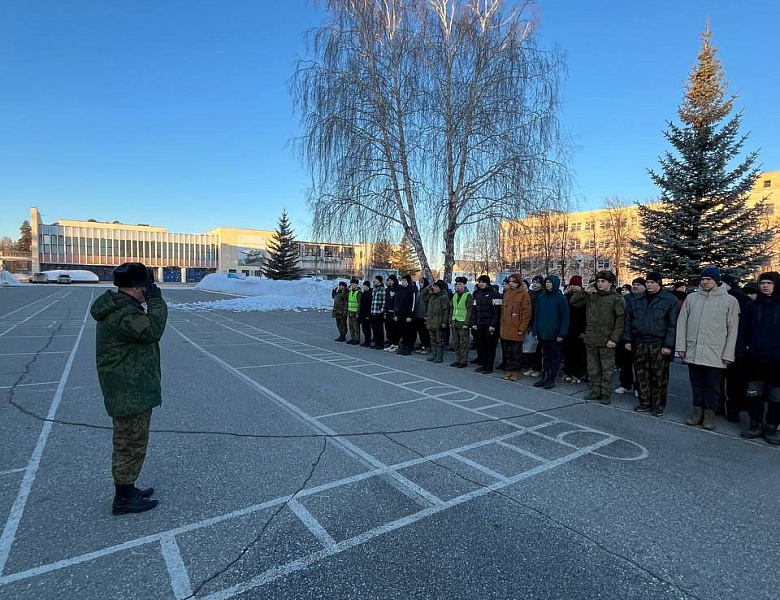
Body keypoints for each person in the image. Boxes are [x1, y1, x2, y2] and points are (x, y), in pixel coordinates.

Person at [91, 262, 166, 515]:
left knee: (132, 441)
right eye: (147, 287)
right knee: (129, 442)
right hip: (128, 390)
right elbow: (152, 331)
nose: (150, 290)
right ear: (136, 289)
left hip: (129, 386)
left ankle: (128, 487)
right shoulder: (124, 314)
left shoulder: (123, 307)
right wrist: (156, 303)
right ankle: (123, 498)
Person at [676, 266, 741, 431]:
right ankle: (696, 412)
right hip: (694, 349)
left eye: (708, 279)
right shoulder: (692, 298)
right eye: (703, 279)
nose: (705, 282)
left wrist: (729, 354)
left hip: (716, 352)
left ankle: (709, 415)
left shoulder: (730, 301)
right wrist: (681, 347)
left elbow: (733, 329)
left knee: (712, 386)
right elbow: (682, 322)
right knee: (696, 384)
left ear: (716, 281)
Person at [623, 272, 679, 416]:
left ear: (659, 283)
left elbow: (672, 325)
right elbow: (628, 321)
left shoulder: (669, 300)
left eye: (652, 282)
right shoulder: (637, 300)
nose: (649, 285)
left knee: (659, 376)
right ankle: (645, 402)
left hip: (658, 343)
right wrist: (628, 340)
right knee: (641, 374)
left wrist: (668, 345)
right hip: (639, 342)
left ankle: (658, 404)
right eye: (647, 282)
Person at [737, 272, 780, 445]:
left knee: (776, 396)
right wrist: (741, 351)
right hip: (754, 358)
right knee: (754, 393)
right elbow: (743, 331)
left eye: (769, 283)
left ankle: (772, 426)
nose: (765, 286)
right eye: (763, 283)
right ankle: (755, 424)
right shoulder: (752, 306)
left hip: (777, 360)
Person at [571, 271, 625, 403]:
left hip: (607, 340)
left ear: (610, 283)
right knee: (592, 368)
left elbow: (620, 321)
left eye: (603, 282)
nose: (600, 284)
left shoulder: (616, 298)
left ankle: (606, 392)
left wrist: (614, 339)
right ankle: (596, 390)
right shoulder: (591, 296)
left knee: (607, 369)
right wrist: (585, 291)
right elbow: (574, 302)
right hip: (591, 338)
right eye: (598, 281)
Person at [719, 274, 750, 421]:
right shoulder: (746, 300)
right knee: (735, 382)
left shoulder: (728, 298)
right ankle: (734, 410)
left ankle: (720, 407)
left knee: (722, 379)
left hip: (725, 343)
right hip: (738, 345)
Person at [532, 275, 569, 389]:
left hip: (555, 334)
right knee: (545, 356)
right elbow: (537, 315)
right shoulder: (541, 297)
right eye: (546, 282)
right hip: (543, 333)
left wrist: (562, 333)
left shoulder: (560, 298)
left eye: (550, 282)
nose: (548, 284)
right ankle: (545, 377)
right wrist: (535, 331)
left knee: (555, 357)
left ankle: (552, 379)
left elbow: (565, 317)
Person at [615, 278, 646, 396]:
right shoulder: (626, 299)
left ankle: (639, 387)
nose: (635, 287)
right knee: (625, 363)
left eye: (638, 284)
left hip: (640, 336)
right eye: (634, 284)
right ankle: (625, 384)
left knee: (639, 365)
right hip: (625, 335)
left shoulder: (646, 299)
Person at [499, 274, 533, 381]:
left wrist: (522, 328)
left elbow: (526, 314)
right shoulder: (507, 293)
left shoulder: (524, 294)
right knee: (507, 352)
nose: (511, 283)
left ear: (518, 282)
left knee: (516, 352)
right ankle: (509, 370)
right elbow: (503, 312)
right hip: (506, 328)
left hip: (516, 328)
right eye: (509, 281)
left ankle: (516, 371)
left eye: (513, 281)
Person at [470, 275, 502, 374]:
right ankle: (483, 364)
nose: (481, 284)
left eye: (483, 282)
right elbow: (474, 310)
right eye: (479, 282)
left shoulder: (495, 294)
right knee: (482, 345)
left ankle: (489, 366)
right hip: (480, 324)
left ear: (487, 283)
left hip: (490, 325)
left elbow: (497, 311)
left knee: (490, 346)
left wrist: (493, 325)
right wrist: (474, 322)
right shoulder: (477, 294)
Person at [561, 275, 587, 383]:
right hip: (568, 328)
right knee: (567, 352)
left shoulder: (585, 297)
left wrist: (584, 331)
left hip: (580, 329)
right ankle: (568, 372)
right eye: (571, 284)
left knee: (579, 353)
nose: (573, 287)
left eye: (575, 285)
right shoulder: (566, 297)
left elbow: (587, 315)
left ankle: (578, 373)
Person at [425, 280, 452, 363]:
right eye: (433, 286)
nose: (434, 288)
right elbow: (424, 298)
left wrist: (444, 322)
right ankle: (434, 354)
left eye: (436, 287)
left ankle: (439, 357)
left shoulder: (444, 297)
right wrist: (427, 289)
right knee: (432, 339)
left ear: (440, 288)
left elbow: (446, 311)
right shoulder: (432, 296)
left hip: (439, 322)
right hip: (431, 322)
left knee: (439, 340)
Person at [523, 275, 545, 377]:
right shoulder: (529, 294)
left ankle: (538, 368)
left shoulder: (543, 295)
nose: (535, 284)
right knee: (529, 348)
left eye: (537, 282)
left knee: (537, 349)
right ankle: (530, 367)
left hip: (539, 325)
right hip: (529, 324)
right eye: (534, 282)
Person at [450, 276, 473, 368]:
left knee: (463, 343)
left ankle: (463, 361)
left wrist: (466, 324)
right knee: (456, 342)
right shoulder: (455, 295)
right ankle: (458, 359)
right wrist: (450, 321)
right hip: (455, 321)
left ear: (464, 285)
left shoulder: (468, 295)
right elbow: (452, 309)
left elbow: (469, 311)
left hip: (463, 323)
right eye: (457, 285)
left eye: (460, 284)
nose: (458, 286)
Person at [394, 274, 417, 355]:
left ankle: (409, 347)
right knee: (401, 331)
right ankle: (403, 345)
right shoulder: (401, 290)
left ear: (408, 281)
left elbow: (413, 304)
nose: (403, 282)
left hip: (407, 315)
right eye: (402, 281)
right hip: (400, 314)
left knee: (408, 332)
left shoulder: (412, 290)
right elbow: (397, 303)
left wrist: (410, 315)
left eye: (404, 281)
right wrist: (396, 314)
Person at [497, 278, 511, 370]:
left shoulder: (511, 295)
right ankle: (504, 361)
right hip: (501, 322)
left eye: (506, 284)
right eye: (503, 284)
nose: (504, 286)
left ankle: (509, 363)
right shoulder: (502, 295)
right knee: (503, 345)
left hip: (509, 323)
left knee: (510, 346)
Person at [415, 278, 432, 355]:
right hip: (417, 314)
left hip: (424, 315)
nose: (420, 284)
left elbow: (428, 305)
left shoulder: (428, 292)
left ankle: (427, 346)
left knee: (425, 332)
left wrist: (426, 315)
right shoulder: (419, 292)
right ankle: (422, 344)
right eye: (419, 282)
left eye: (422, 282)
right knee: (420, 332)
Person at [384, 274, 399, 351]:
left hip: (394, 312)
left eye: (390, 280)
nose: (388, 281)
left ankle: (395, 344)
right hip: (388, 311)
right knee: (388, 328)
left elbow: (397, 302)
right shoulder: (388, 290)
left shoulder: (398, 289)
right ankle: (390, 342)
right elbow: (386, 301)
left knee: (394, 329)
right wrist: (385, 311)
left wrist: (396, 312)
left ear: (393, 281)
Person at [370, 276, 386, 349]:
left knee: (379, 329)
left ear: (379, 281)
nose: (374, 281)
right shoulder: (374, 289)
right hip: (373, 311)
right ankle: (376, 342)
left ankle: (380, 343)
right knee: (375, 328)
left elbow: (383, 301)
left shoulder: (382, 289)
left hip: (379, 312)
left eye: (376, 280)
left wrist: (382, 311)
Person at [346, 278, 362, 345]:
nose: (351, 285)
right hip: (350, 311)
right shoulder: (350, 292)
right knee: (351, 326)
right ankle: (352, 338)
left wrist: (358, 313)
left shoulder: (358, 292)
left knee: (356, 327)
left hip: (355, 312)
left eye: (353, 284)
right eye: (351, 284)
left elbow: (359, 303)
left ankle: (357, 339)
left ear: (356, 284)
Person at [358, 280, 373, 347]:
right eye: (363, 286)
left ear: (368, 286)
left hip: (367, 314)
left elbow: (369, 305)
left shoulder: (370, 294)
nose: (363, 287)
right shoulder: (364, 293)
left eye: (365, 286)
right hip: (363, 313)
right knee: (364, 328)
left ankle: (368, 341)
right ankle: (366, 340)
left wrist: (368, 315)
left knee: (367, 328)